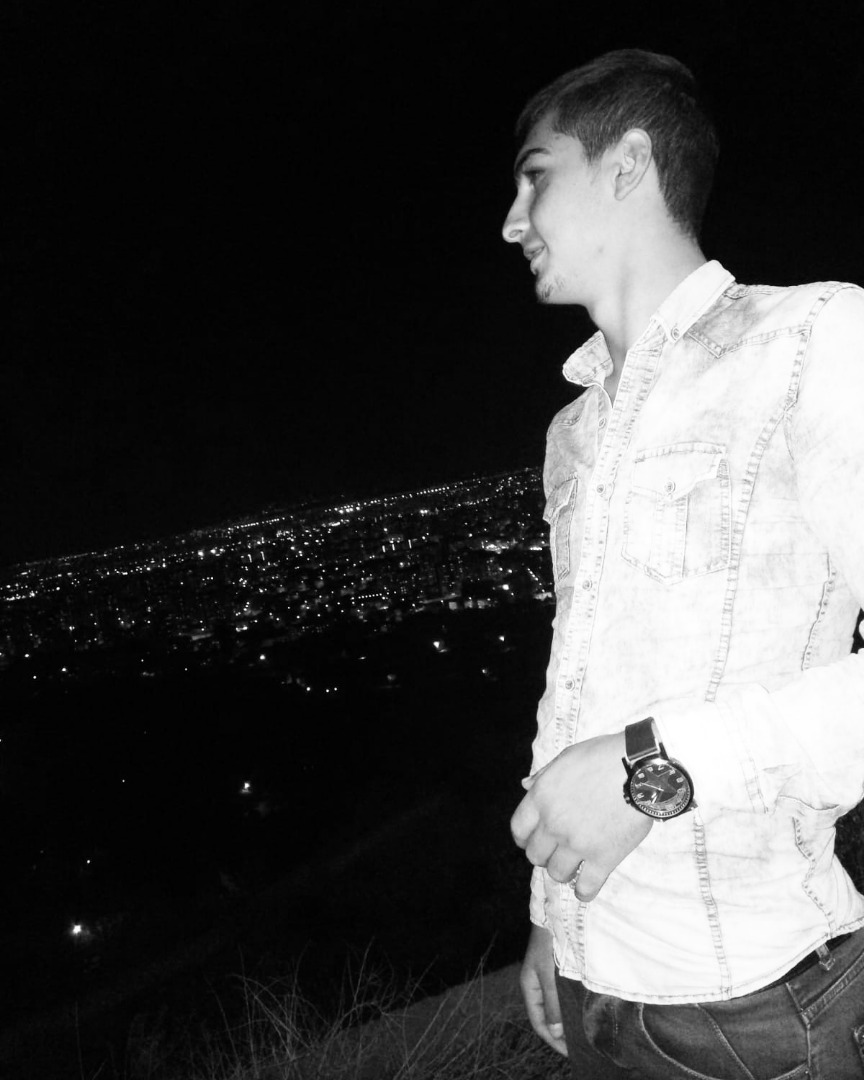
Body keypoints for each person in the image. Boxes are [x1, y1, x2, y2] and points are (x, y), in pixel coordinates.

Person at [503, 49, 864, 1078]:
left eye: (535, 179)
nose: (512, 223)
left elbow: (625, 755)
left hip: (757, 1002)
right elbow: (577, 686)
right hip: (596, 982)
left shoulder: (814, 339)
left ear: (627, 162)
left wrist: (651, 767)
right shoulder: (575, 431)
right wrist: (552, 915)